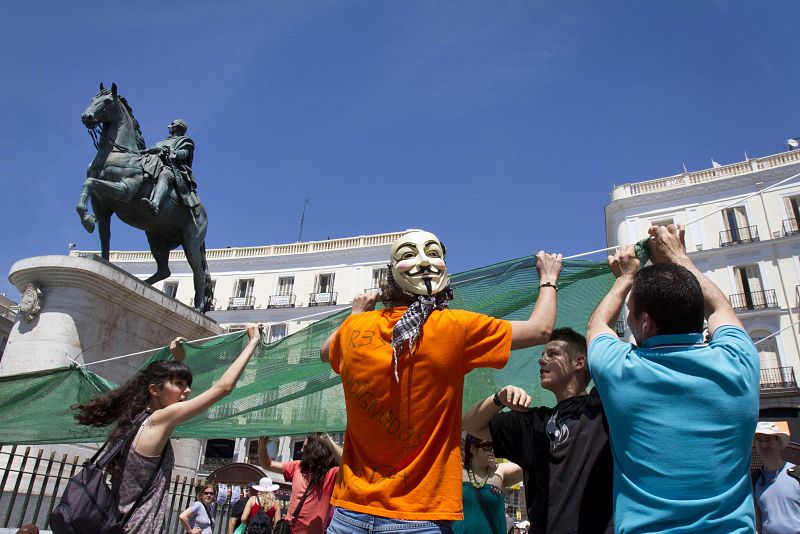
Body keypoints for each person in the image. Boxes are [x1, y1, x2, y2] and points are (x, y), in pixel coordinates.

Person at [319, 229, 562, 531]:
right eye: (410, 255)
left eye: (432, 253)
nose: (424, 262)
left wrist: (356, 313)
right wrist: (549, 278)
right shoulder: (454, 328)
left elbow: (325, 351)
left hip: (349, 514)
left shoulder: (355, 329)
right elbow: (540, 329)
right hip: (419, 517)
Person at [585, 224, 760, 532]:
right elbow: (719, 306)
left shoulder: (620, 370)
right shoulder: (739, 361)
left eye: (631, 311)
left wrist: (626, 278)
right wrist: (679, 257)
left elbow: (597, 326)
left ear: (646, 323)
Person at [73, 324, 263, 533]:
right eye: (180, 384)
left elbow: (171, 389)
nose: (188, 390)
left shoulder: (137, 421)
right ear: (154, 390)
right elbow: (223, 388)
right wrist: (252, 342)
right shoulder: (160, 419)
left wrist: (178, 358)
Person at [462, 327, 613, 533]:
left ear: (579, 363)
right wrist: (498, 398)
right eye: (542, 355)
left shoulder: (603, 407)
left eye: (553, 354)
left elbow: (604, 334)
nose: (541, 360)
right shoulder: (533, 423)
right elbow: (470, 425)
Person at [258, 434, 341, 533]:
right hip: (290, 530)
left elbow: (348, 464)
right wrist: (262, 444)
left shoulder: (332, 473)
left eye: (305, 447)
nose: (301, 450)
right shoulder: (297, 466)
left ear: (315, 449)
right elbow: (267, 464)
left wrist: (328, 441)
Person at [453, 434, 522, 534]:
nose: (493, 450)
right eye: (487, 446)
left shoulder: (500, 471)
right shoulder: (457, 471)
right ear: (472, 449)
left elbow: (529, 463)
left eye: (495, 446)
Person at [141, 119, 199, 215]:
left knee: (165, 174)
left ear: (179, 126)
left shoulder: (185, 141)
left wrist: (166, 151)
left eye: (172, 124)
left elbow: (183, 154)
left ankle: (155, 204)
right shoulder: (164, 141)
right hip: (155, 163)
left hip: (173, 168)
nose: (169, 126)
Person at [753, 421, 800, 533]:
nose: (764, 445)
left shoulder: (797, 473)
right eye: (759, 440)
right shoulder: (754, 479)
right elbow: (757, 524)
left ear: (779, 442)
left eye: (768, 439)